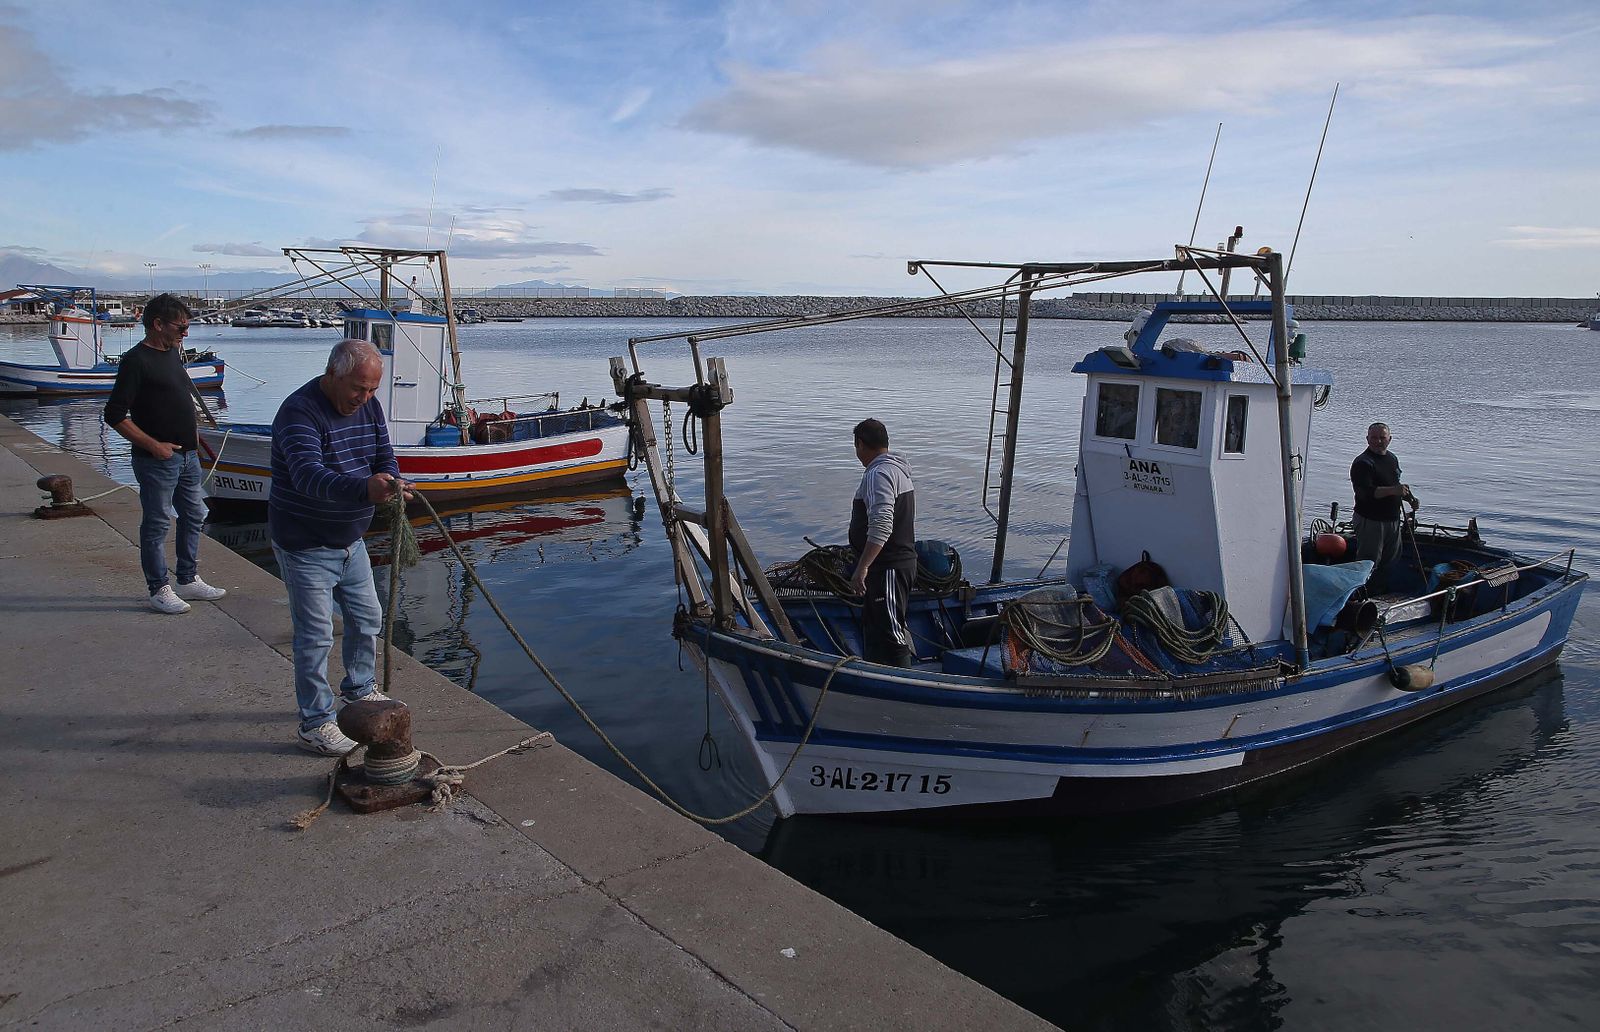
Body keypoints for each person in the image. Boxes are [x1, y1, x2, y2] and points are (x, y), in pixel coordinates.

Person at [270, 339, 412, 755]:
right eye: (358, 388)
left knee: (368, 617)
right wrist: (364, 490)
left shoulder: (367, 406)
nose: (365, 398)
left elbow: (384, 454)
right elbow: (307, 476)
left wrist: (390, 479)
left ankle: (359, 689)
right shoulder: (299, 412)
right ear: (332, 374)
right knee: (315, 636)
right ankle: (315, 721)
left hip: (351, 540)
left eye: (372, 390)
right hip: (305, 543)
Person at [103, 293, 227, 615]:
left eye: (187, 326)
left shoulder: (172, 353)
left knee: (195, 514)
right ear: (157, 324)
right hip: (158, 460)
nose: (185, 333)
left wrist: (194, 435)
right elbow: (114, 414)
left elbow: (175, 399)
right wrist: (154, 446)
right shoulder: (136, 361)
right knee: (157, 523)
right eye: (180, 326)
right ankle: (158, 588)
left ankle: (187, 578)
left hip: (188, 456)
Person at [847, 418, 917, 667]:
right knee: (876, 628)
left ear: (860, 444)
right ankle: (874, 676)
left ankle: (907, 686)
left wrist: (862, 567)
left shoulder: (880, 474)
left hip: (888, 567)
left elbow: (882, 525)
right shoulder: (896, 470)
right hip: (890, 565)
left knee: (891, 633)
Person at [1350, 422, 1419, 593]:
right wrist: (1393, 490)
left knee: (1390, 560)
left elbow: (1396, 484)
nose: (1378, 441)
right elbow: (1365, 493)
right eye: (1374, 438)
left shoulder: (1392, 459)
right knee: (1368, 563)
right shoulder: (1363, 463)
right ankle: (1359, 596)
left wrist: (1410, 498)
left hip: (1392, 520)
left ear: (1390, 439)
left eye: (1382, 437)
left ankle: (1379, 592)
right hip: (1371, 521)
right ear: (1367, 439)